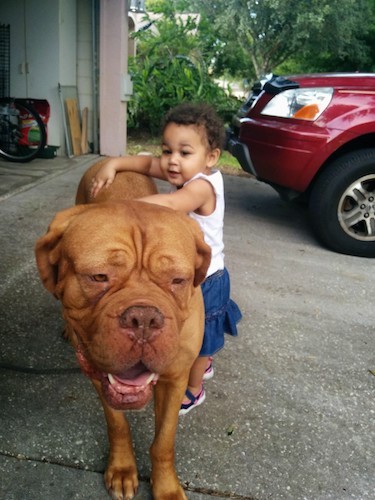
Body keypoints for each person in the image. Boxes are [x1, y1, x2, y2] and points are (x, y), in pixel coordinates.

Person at [90, 102, 242, 415]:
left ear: (211, 157)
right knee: (198, 331)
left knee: (199, 339)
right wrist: (114, 164)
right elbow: (146, 165)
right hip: (188, 268)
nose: (172, 161)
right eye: (166, 150)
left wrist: (119, 209)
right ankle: (204, 360)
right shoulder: (185, 169)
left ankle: (195, 388)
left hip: (208, 276)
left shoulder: (201, 185)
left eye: (184, 153)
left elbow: (171, 203)